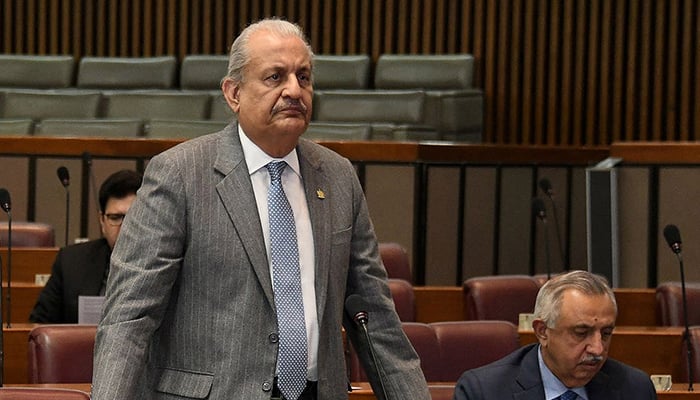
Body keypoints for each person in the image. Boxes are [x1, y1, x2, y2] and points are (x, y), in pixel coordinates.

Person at [91, 18, 430, 400]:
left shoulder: (337, 177)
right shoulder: (180, 174)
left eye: (303, 77)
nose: (293, 90)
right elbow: (130, 316)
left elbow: (374, 316)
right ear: (233, 93)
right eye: (275, 77)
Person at [453, 270, 657, 400]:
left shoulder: (634, 389)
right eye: (581, 333)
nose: (597, 348)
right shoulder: (484, 392)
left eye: (605, 333)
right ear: (542, 331)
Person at [28, 169, 143, 323]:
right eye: (115, 218)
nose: (125, 227)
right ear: (102, 221)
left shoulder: (168, 262)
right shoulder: (71, 262)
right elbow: (40, 325)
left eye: (133, 218)